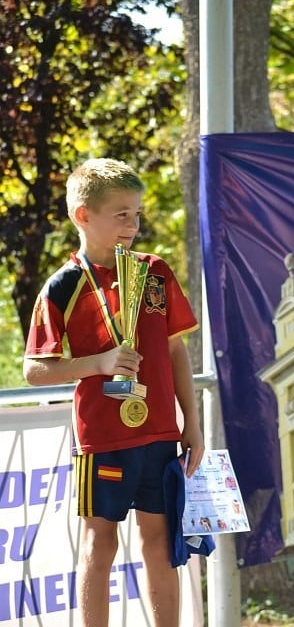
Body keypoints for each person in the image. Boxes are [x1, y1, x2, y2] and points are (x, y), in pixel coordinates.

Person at [22, 158, 205, 627]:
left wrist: (193, 422)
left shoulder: (155, 272)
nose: (134, 224)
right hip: (101, 439)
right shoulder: (63, 285)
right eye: (121, 213)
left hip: (162, 430)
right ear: (84, 215)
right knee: (98, 543)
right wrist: (98, 364)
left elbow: (175, 350)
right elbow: (34, 370)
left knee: (161, 542)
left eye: (137, 213)